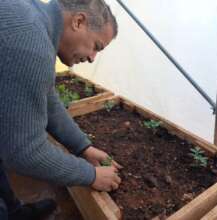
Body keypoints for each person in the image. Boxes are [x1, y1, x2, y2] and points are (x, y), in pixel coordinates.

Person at [0, 0, 122, 219]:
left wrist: (83, 146)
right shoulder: (30, 44)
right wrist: (91, 175)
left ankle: (14, 212)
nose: (92, 58)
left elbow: (47, 98)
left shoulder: (32, 15)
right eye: (96, 46)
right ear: (78, 22)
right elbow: (24, 151)